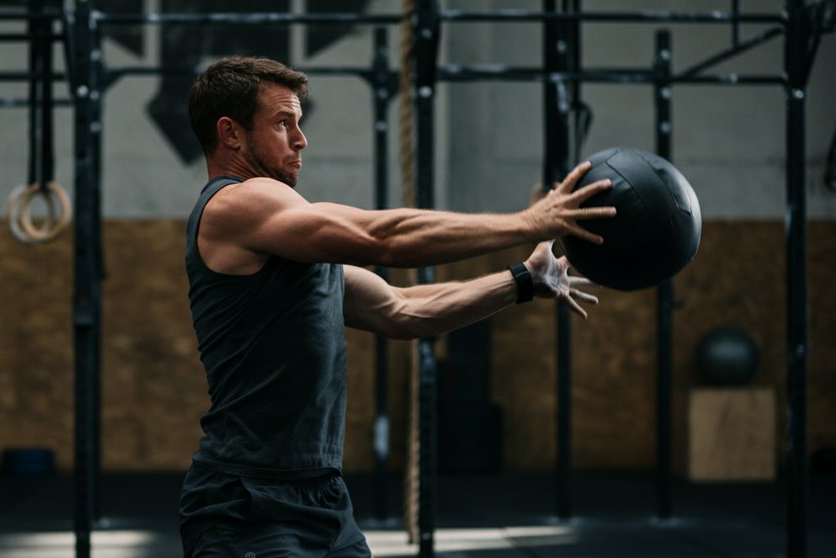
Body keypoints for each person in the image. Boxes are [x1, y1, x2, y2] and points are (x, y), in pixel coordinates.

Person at [179, 55, 615, 558]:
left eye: (299, 123)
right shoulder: (235, 204)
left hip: (322, 498)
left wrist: (520, 280)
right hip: (246, 504)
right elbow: (380, 238)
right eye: (283, 123)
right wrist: (530, 222)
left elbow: (400, 308)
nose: (301, 139)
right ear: (231, 134)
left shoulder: (288, 241)